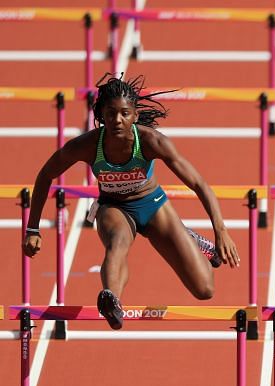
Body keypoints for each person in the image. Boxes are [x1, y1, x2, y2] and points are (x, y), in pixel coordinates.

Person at [22, 74, 240, 330]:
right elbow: (46, 174)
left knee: (205, 289)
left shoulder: (151, 142)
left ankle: (190, 237)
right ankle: (111, 299)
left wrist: (221, 230)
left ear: (135, 115)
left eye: (124, 113)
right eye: (111, 113)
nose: (117, 120)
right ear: (101, 114)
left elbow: (199, 183)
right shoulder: (88, 145)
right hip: (113, 207)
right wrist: (32, 228)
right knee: (118, 242)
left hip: (153, 204)